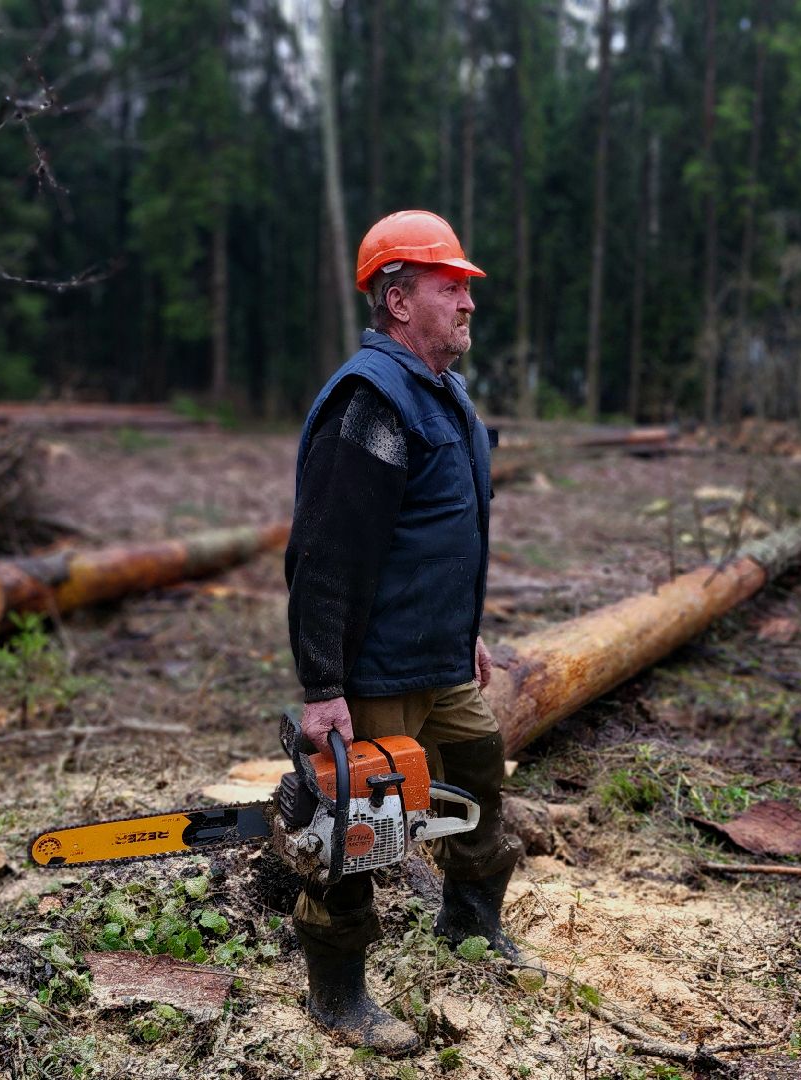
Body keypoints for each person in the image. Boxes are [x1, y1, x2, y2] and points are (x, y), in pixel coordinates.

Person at [284, 210, 526, 1056]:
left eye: (466, 287)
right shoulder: (370, 403)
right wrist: (323, 687)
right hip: (377, 673)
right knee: (358, 837)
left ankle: (470, 924)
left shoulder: (444, 394)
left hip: (442, 662)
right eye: (447, 286)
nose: (466, 302)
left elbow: (444, 537)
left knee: (482, 782)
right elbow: (324, 557)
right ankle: (338, 994)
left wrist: (465, 632)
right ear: (396, 298)